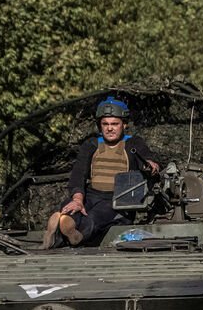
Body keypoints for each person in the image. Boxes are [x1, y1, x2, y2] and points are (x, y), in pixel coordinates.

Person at [42, 96, 160, 248]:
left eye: (114, 124)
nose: (109, 128)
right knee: (71, 208)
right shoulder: (91, 145)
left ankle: (64, 234)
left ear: (124, 125)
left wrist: (150, 165)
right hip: (92, 195)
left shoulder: (134, 143)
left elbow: (147, 160)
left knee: (95, 217)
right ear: (100, 126)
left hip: (118, 201)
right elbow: (78, 174)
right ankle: (64, 227)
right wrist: (77, 200)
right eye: (105, 124)